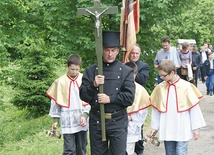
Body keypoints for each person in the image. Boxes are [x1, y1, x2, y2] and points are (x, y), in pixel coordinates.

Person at [80, 30, 136, 155]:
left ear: (117, 51)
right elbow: (83, 95)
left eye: (113, 50)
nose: (110, 54)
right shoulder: (91, 70)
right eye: (106, 50)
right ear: (101, 50)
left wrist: (110, 99)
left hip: (118, 121)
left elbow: (129, 97)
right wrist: (93, 85)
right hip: (97, 120)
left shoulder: (126, 71)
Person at [149, 59, 206, 155]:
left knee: (181, 152)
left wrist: (196, 129)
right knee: (169, 152)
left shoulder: (186, 87)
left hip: (182, 126)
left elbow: (194, 109)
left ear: (172, 73)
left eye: (164, 75)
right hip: (167, 127)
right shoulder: (160, 88)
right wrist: (154, 127)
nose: (161, 77)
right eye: (160, 75)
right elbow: (156, 109)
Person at [46, 54, 90, 155]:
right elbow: (56, 102)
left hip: (81, 119)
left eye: (77, 69)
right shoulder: (60, 82)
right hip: (67, 120)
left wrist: (85, 114)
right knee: (69, 149)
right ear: (67, 66)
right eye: (72, 69)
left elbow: (90, 99)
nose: (74, 72)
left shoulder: (85, 80)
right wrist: (56, 120)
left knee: (81, 148)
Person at [124, 62, 150, 155]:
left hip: (131, 126)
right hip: (116, 126)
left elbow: (143, 111)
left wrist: (131, 117)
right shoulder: (117, 86)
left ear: (136, 74)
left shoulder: (140, 90)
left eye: (132, 75)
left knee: (128, 151)